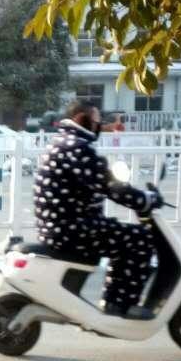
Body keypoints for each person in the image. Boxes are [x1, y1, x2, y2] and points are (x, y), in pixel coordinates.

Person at [32, 99, 159, 319]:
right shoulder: (77, 148)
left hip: (62, 225)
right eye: (97, 120)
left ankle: (114, 300)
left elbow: (102, 183)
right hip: (72, 228)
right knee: (140, 239)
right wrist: (144, 200)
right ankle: (119, 305)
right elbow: (110, 186)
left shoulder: (63, 141)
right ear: (83, 120)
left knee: (123, 235)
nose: (99, 126)